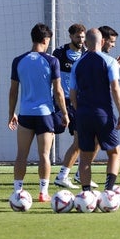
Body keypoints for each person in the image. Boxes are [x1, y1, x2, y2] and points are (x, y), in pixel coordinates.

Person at [8, 23, 69, 202]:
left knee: (21, 155)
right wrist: (65, 114)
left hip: (25, 114)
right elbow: (58, 91)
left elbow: (13, 91)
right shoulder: (52, 60)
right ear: (45, 40)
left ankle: (17, 191)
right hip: (45, 115)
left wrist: (11, 113)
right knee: (44, 155)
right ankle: (43, 193)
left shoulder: (18, 60)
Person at [70, 28, 120, 192]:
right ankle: (108, 191)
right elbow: (115, 88)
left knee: (85, 157)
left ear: (85, 44)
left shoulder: (77, 64)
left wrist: (80, 111)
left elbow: (72, 94)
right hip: (103, 114)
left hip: (83, 114)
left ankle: (86, 194)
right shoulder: (109, 61)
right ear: (102, 42)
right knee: (114, 153)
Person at [52, 23, 88, 189]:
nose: (81, 40)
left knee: (80, 140)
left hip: (78, 103)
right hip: (61, 102)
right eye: (78, 37)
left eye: (83, 37)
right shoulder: (59, 53)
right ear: (71, 36)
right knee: (50, 133)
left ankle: (69, 175)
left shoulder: (86, 54)